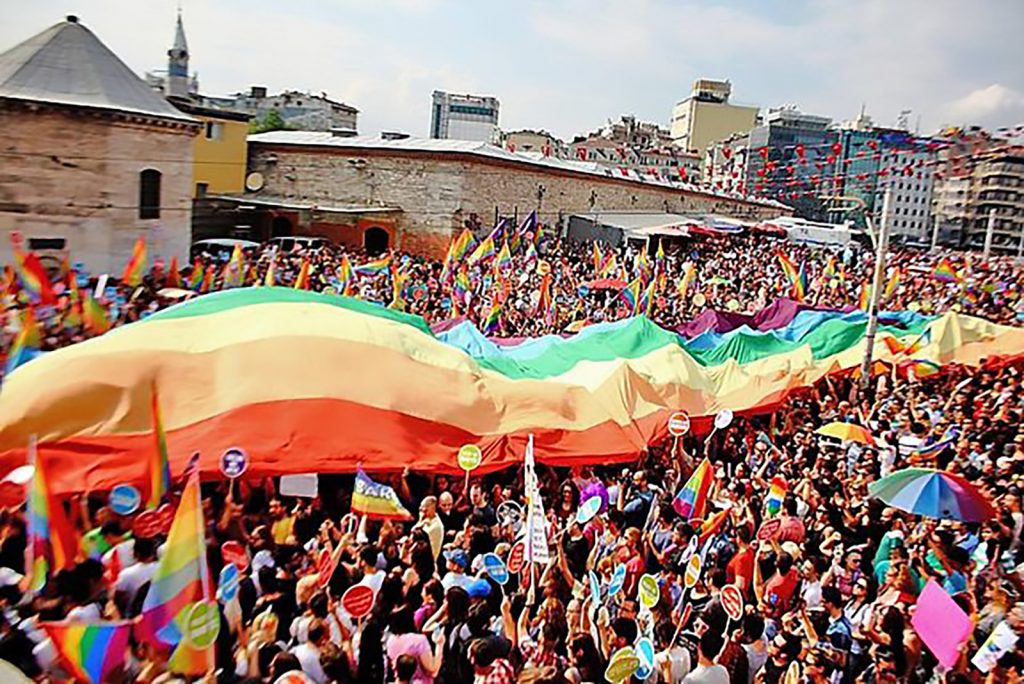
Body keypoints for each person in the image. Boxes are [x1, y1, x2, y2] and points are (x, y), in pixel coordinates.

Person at [291, 619, 330, 683]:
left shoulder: (295, 650)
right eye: (328, 635)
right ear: (322, 638)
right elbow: (324, 681)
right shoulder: (319, 659)